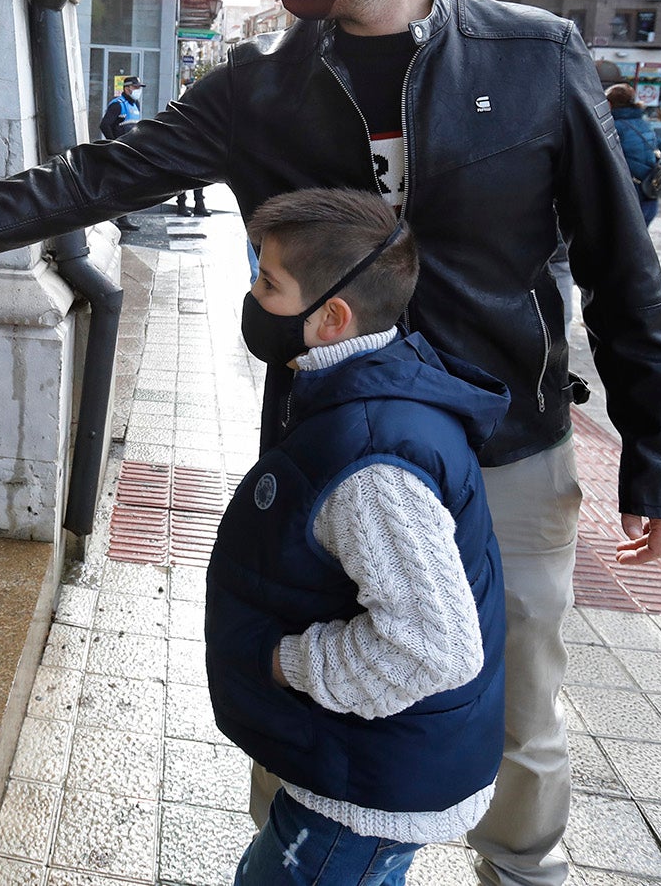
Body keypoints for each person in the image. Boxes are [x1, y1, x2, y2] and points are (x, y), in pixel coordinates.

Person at [0, 0, 661, 886]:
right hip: (333, 459)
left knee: (517, 714)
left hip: (506, 450)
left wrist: (659, 454)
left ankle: (522, 870)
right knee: (317, 705)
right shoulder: (260, 88)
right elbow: (96, 176)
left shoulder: (532, 58)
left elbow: (622, 265)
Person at [209, 188, 508, 886]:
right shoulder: (367, 390)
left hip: (364, 793)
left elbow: (432, 646)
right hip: (368, 765)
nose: (254, 297)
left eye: (268, 282)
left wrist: (284, 661)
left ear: (331, 319)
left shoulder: (371, 460)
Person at [606, 84, 661, 226]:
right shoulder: (645, 124)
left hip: (627, 200)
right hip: (648, 195)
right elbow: (660, 149)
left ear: (609, 104)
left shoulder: (613, 128)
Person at [98, 75, 144, 232]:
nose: (138, 91)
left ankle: (122, 217)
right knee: (117, 184)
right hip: (120, 151)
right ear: (127, 88)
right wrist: (114, 144)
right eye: (136, 87)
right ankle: (113, 216)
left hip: (129, 151)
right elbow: (104, 125)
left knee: (126, 185)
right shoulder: (117, 105)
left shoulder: (135, 104)